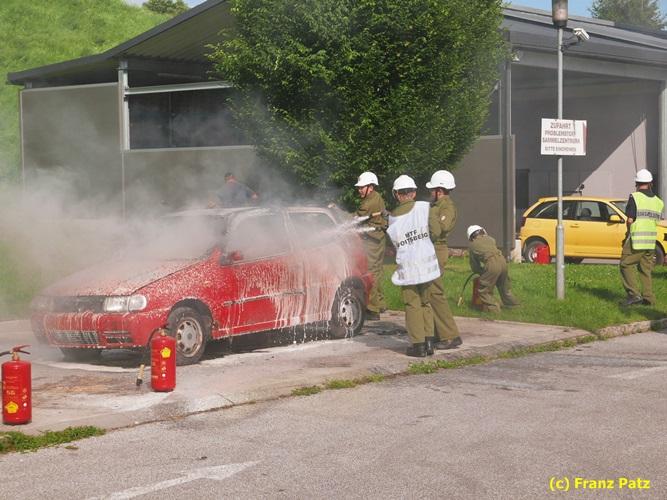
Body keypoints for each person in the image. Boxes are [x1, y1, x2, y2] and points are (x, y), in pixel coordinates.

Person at [386, 175, 451, 357]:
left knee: (412, 303)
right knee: (425, 301)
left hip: (408, 266)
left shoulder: (392, 218)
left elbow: (393, 243)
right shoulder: (425, 207)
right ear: (414, 193)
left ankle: (418, 345)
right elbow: (436, 232)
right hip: (427, 263)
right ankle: (429, 342)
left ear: (396, 194)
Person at [425, 170, 462, 350]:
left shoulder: (446, 207)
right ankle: (439, 333)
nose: (430, 192)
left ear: (439, 190)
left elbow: (440, 229)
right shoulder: (436, 205)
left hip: (437, 249)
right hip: (431, 249)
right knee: (430, 293)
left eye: (432, 190)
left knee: (435, 293)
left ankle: (450, 335)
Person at [619, 169, 664, 306]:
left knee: (625, 264)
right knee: (645, 269)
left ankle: (634, 295)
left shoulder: (635, 197)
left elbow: (630, 220)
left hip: (636, 239)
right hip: (651, 241)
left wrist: (628, 233)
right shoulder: (658, 201)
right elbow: (656, 221)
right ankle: (649, 298)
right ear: (650, 183)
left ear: (636, 183)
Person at [354, 171, 388, 320]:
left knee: (371, 273)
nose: (359, 190)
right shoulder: (376, 197)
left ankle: (373, 310)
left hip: (372, 240)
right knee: (377, 271)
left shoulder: (369, 203)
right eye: (359, 187)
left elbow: (354, 218)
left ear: (371, 187)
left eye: (362, 187)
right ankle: (380, 303)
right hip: (378, 239)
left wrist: (336, 211)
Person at [467, 225, 520, 313]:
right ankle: (514, 306)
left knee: (483, 290)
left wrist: (482, 272)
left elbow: (475, 266)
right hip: (502, 261)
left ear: (471, 236)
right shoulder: (491, 239)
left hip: (492, 264)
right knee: (504, 287)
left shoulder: (472, 246)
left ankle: (494, 309)